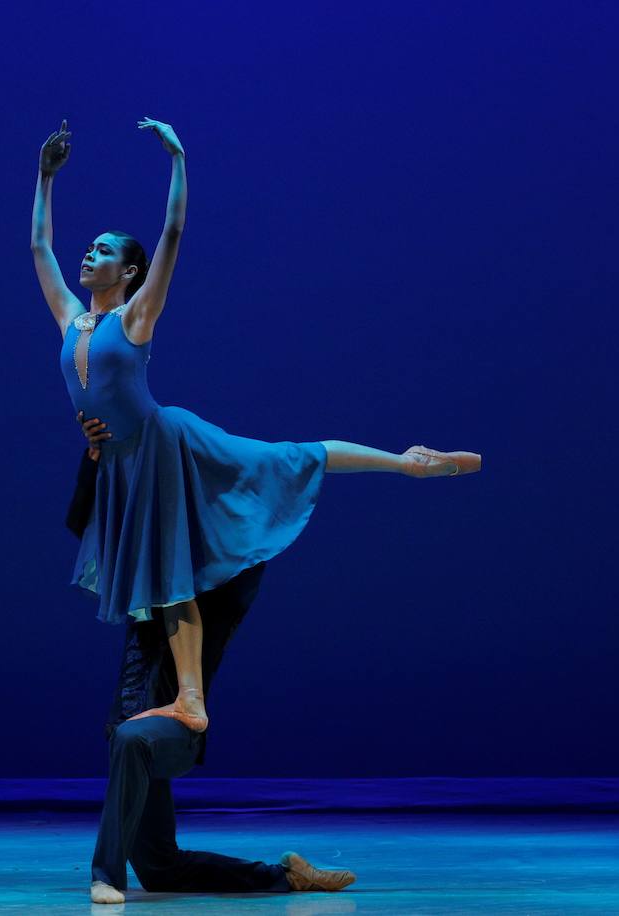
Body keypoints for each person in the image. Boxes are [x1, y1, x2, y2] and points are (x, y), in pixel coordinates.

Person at [32, 118, 482, 902]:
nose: (89, 256)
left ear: (130, 273)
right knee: (152, 831)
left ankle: (403, 462)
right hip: (131, 489)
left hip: (173, 466)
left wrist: (178, 158)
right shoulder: (73, 318)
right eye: (92, 248)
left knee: (281, 459)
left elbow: (173, 230)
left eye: (105, 251)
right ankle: (252, 861)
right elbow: (38, 250)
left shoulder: (134, 320)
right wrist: (45, 179)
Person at [68, 416, 357, 904]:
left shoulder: (226, 575)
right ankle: (287, 876)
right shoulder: (151, 556)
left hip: (175, 727)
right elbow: (87, 524)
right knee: (162, 870)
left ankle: (105, 875)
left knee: (132, 737)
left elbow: (310, 454)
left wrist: (403, 465)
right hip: (130, 732)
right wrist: (95, 461)